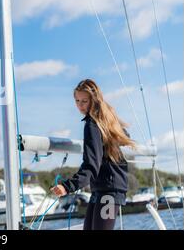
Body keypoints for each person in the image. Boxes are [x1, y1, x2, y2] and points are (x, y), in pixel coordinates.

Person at [50, 79, 136, 230]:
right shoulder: (105, 120)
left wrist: (67, 187)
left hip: (110, 191)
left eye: (84, 101)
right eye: (77, 100)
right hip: (101, 189)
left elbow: (91, 165)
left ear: (94, 100)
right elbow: (124, 135)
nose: (80, 105)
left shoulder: (92, 125)